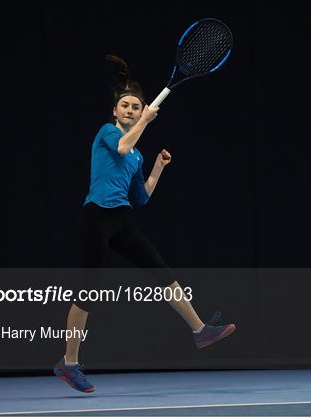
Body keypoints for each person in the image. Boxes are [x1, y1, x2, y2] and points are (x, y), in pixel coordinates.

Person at [53, 55, 236, 393]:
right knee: (86, 293)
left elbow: (143, 197)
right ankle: (69, 363)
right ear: (115, 111)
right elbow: (123, 145)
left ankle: (200, 331)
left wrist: (158, 167)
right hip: (96, 216)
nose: (130, 110)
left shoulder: (137, 154)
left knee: (161, 270)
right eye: (125, 105)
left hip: (119, 220)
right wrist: (147, 123)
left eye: (136, 108)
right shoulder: (108, 133)